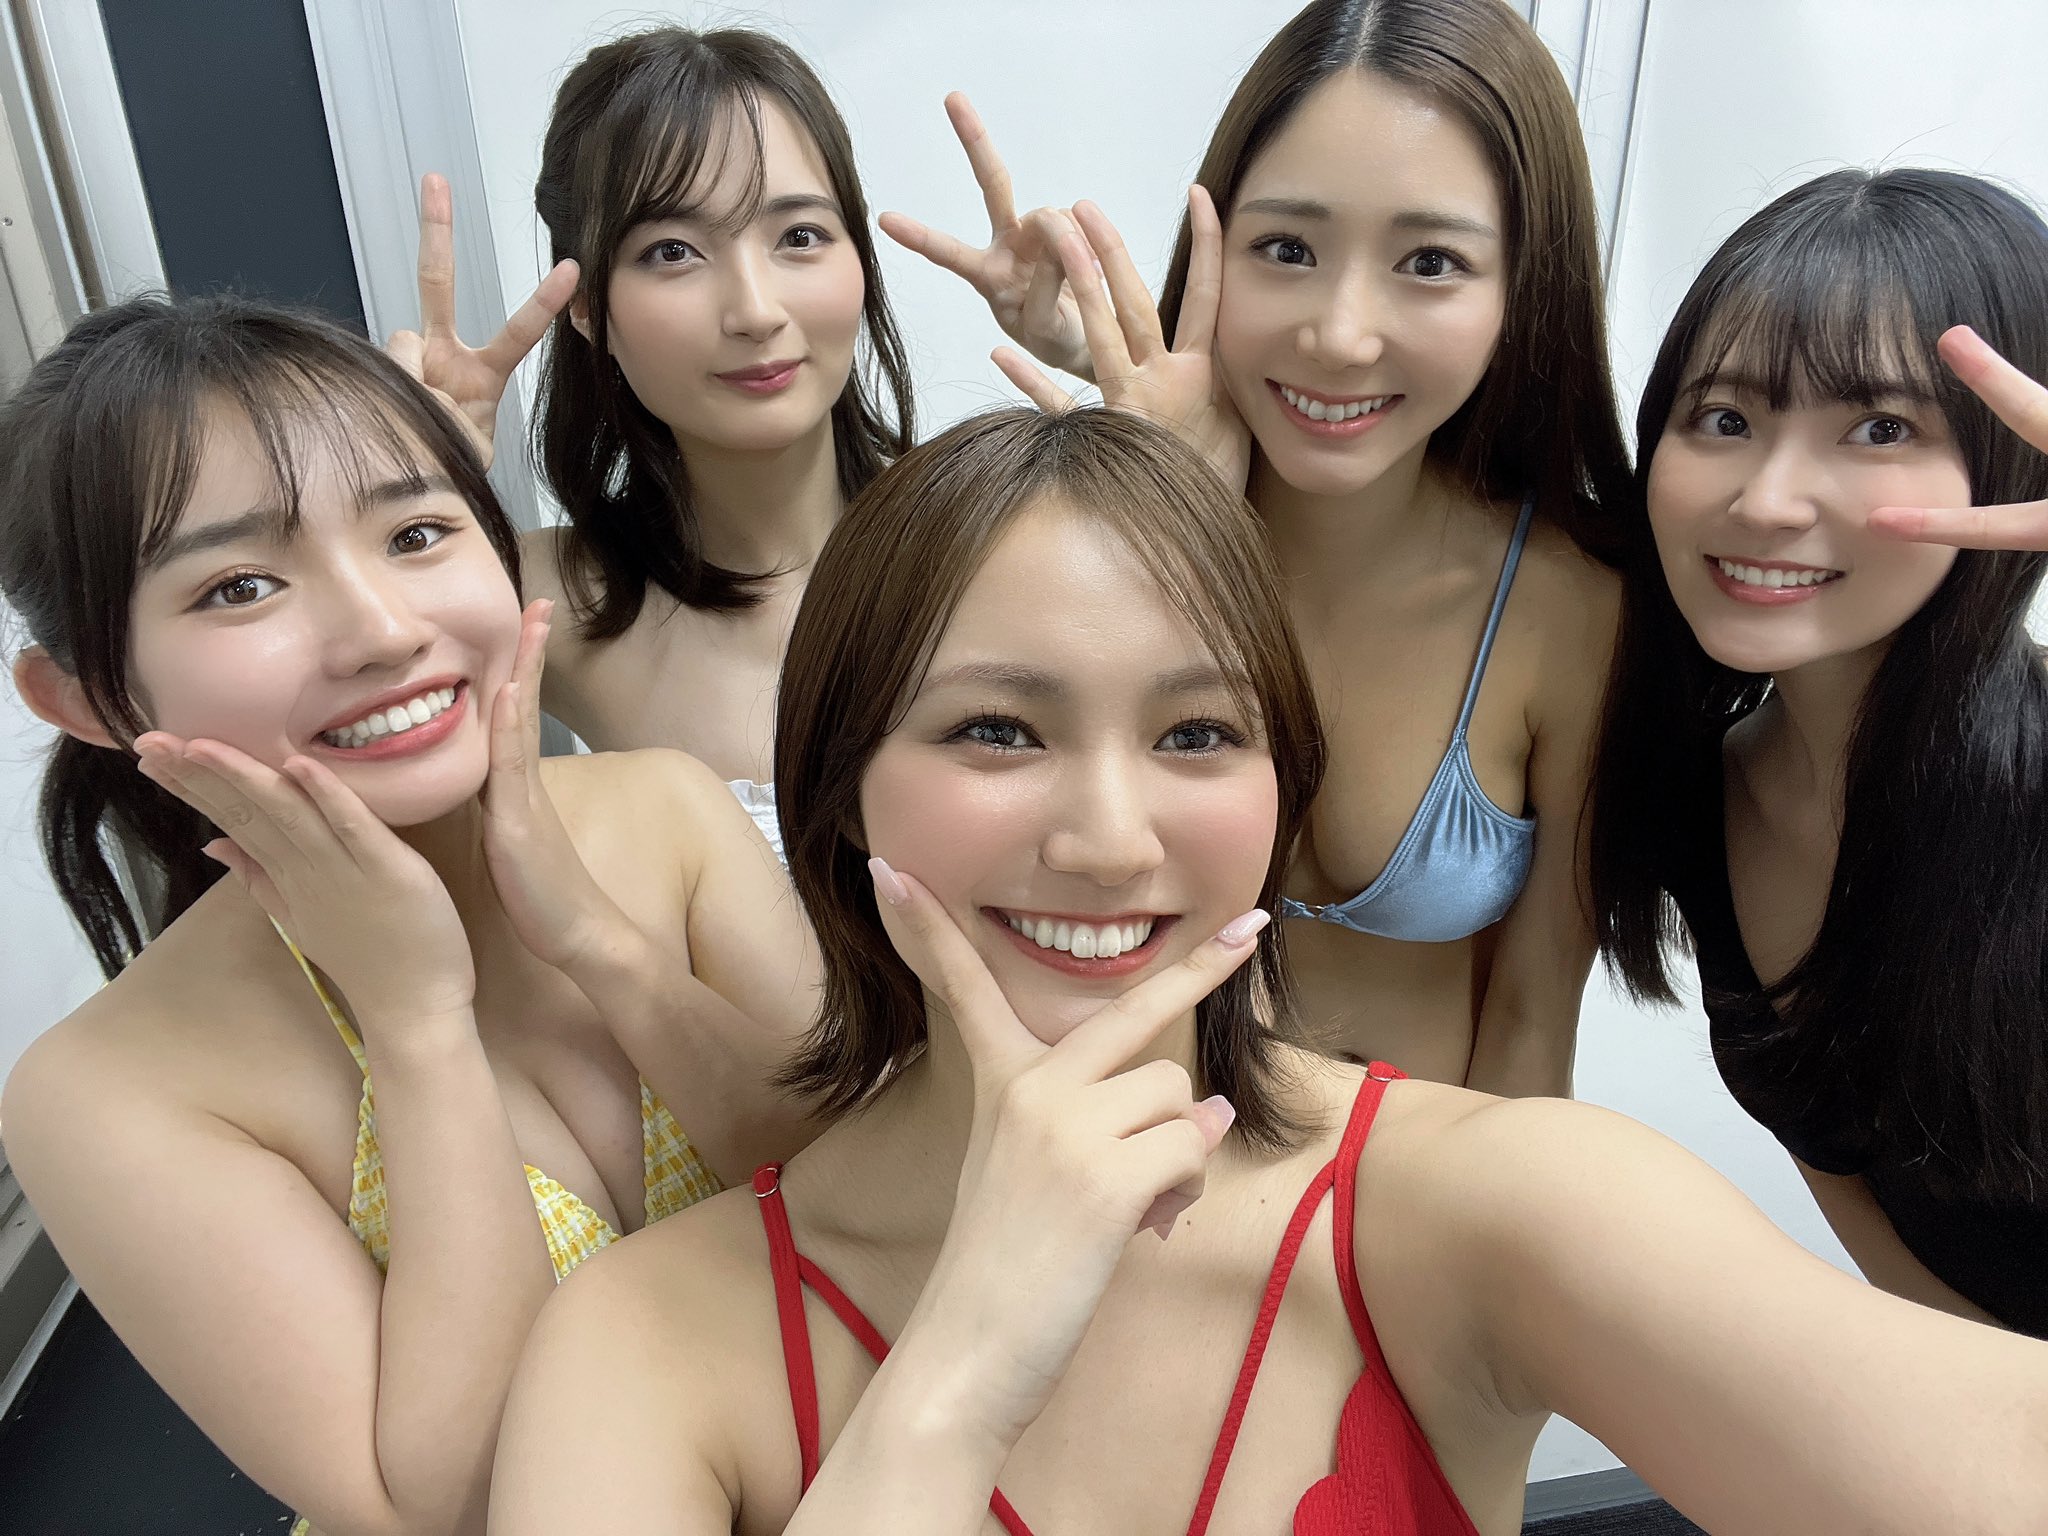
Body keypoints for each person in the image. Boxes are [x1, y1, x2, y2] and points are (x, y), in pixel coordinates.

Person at [489, 406, 2048, 1536]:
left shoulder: (1477, 1207)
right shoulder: (648, 1341)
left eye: (1196, 734)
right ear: (838, 792)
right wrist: (962, 1363)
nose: (1111, 840)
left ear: (1280, 793)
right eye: (997, 731)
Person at [0, 294, 819, 1533]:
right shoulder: (107, 1089)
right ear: (86, 699)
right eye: (238, 586)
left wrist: (601, 946)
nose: (384, 630)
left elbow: (863, 1198)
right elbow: (464, 1504)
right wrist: (417, 1022)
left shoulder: (666, 809)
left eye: (416, 532)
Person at [884, 0, 1628, 1092]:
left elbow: (1530, 1019)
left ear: (1525, 285)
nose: (1339, 335)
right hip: (1123, 1149)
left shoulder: (1569, 608)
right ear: (1215, 248)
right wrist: (1158, 486)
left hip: (1410, 1181)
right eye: (1287, 248)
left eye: (1429, 262)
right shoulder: (1115, 541)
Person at [1590, 167, 2048, 1338]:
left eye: (1879, 428)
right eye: (1723, 419)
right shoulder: (1692, 797)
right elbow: (1863, 1202)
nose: (1767, 499)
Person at [396, 25, 916, 865]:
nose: (755, 311)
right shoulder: (552, 600)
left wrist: (1147, 433)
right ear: (586, 307)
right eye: (672, 252)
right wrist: (408, 489)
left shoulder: (984, 544)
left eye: (799, 236)